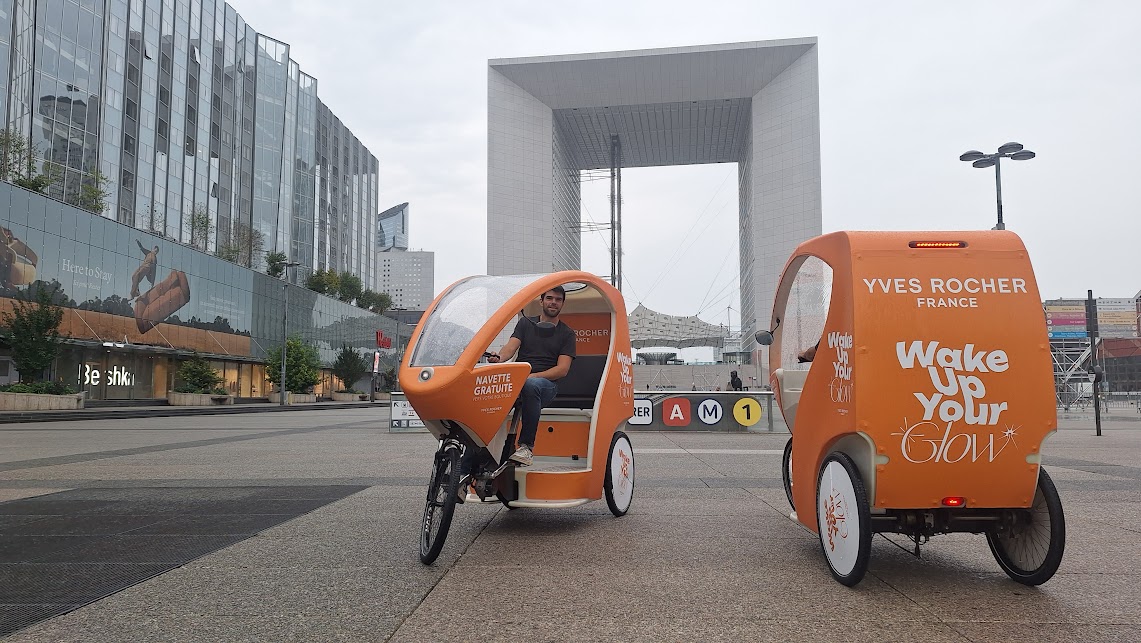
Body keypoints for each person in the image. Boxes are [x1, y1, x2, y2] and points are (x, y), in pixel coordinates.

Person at [486, 285, 576, 467]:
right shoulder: (525, 323)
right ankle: (468, 463)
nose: (553, 302)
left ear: (562, 304)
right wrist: (499, 358)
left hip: (547, 385)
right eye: (549, 298)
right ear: (541, 301)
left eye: (558, 300)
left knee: (531, 385)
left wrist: (533, 376)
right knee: (489, 392)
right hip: (519, 381)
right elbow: (510, 348)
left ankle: (526, 447)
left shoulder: (567, 334)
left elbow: (562, 370)